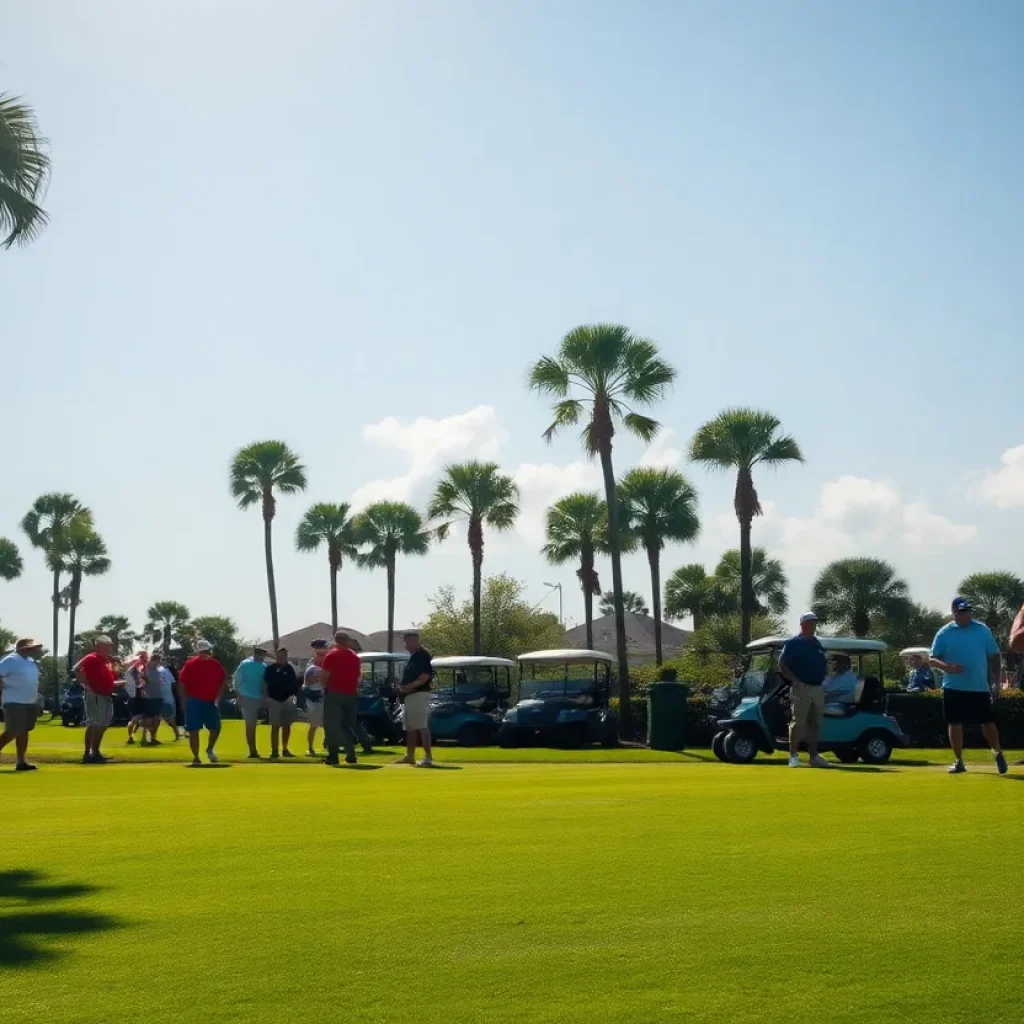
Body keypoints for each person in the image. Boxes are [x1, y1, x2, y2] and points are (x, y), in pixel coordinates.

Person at [929, 597, 1007, 775]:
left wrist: (996, 681)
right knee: (954, 723)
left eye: (968, 611)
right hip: (953, 687)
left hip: (978, 687)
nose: (966, 615)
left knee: (987, 723)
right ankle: (959, 761)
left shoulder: (982, 630)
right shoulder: (944, 633)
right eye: (962, 612)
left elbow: (994, 655)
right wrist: (947, 667)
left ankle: (998, 753)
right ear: (955, 612)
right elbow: (932, 659)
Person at [778, 613, 829, 768]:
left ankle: (814, 757)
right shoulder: (794, 643)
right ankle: (793, 755)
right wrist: (795, 680)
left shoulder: (816, 643)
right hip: (802, 688)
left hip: (817, 688)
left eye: (815, 623)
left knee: (815, 724)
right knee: (799, 723)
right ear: (803, 624)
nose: (814, 626)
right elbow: (782, 665)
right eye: (811, 623)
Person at [178, 639, 227, 767]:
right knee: (194, 729)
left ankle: (210, 749)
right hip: (194, 700)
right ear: (198, 652)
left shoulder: (216, 664)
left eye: (206, 651)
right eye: (202, 651)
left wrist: (218, 697)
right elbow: (182, 683)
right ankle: (196, 756)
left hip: (210, 701)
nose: (205, 654)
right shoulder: (190, 664)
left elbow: (222, 681)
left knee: (216, 727)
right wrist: (183, 700)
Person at [318, 631, 362, 765]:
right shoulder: (355, 657)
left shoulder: (331, 655)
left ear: (335, 640)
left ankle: (333, 756)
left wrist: (324, 688)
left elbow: (325, 676)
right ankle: (351, 755)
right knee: (347, 725)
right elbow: (358, 676)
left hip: (335, 693)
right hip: (351, 693)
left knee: (332, 725)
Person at [0, 638, 44, 771]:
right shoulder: (11, 660)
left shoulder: (30, 661)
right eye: (32, 647)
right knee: (13, 730)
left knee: (24, 731)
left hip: (29, 701)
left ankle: (21, 761)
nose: (35, 649)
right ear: (23, 648)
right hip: (14, 701)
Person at [75, 634, 120, 763]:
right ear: (98, 646)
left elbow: (106, 678)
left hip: (106, 694)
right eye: (106, 646)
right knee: (94, 723)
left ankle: (96, 752)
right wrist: (88, 686)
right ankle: (88, 753)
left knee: (103, 723)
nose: (109, 648)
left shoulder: (106, 660)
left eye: (109, 646)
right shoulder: (92, 658)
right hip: (95, 694)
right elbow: (77, 670)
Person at [396, 630, 434, 768]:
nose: (405, 645)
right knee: (410, 727)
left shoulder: (422, 656)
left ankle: (428, 757)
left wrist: (407, 687)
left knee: (421, 726)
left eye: (407, 642)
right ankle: (409, 756)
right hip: (410, 696)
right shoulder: (413, 657)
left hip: (419, 694)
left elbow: (424, 677)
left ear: (414, 641)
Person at [233, 645, 269, 758]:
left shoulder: (264, 666)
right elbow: (236, 681)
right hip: (246, 696)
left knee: (254, 724)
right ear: (256, 654)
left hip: (258, 697)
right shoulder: (245, 664)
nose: (263, 657)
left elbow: (264, 683)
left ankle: (253, 748)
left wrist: (264, 697)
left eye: (264, 655)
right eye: (261, 655)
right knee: (250, 724)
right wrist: (239, 697)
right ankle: (252, 749)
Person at [264, 647, 300, 759]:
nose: (281, 658)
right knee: (275, 726)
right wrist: (266, 698)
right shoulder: (270, 669)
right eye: (279, 656)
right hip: (274, 700)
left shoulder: (290, 669)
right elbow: (265, 684)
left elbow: (295, 685)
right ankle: (274, 751)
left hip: (287, 700)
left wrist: (294, 697)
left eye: (283, 655)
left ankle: (285, 749)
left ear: (286, 656)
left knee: (287, 726)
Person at [303, 638, 328, 757]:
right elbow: (307, 682)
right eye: (319, 654)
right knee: (313, 725)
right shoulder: (311, 668)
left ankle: (328, 744)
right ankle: (310, 748)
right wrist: (321, 677)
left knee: (327, 724)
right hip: (313, 698)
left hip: (325, 697)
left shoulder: (326, 667)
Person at [153, 652, 181, 739]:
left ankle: (177, 735)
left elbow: (173, 683)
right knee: (156, 719)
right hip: (159, 698)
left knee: (169, 719)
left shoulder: (163, 671)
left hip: (166, 698)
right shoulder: (155, 671)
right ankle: (153, 737)